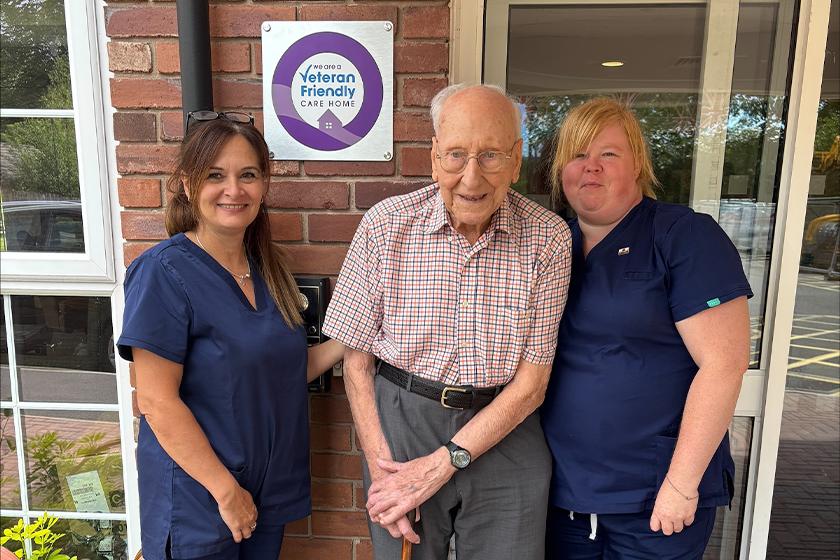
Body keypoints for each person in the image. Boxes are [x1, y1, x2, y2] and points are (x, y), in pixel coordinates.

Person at [322, 84, 572, 560]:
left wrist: (443, 464)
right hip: (401, 422)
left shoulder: (549, 237)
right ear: (434, 156)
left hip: (506, 426)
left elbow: (533, 383)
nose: (472, 177)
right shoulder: (385, 225)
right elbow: (355, 367)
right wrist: (384, 470)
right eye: (456, 155)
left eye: (491, 155)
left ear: (517, 160)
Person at [117, 112, 344, 560]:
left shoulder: (267, 272)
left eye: (248, 175)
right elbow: (157, 401)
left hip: (263, 491)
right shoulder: (163, 271)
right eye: (215, 175)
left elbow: (285, 372)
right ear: (186, 183)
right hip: (200, 497)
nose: (234, 190)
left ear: (264, 185)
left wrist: (354, 338)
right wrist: (226, 492)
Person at [541, 98, 752, 559]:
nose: (590, 168)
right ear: (562, 171)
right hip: (564, 496)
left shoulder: (684, 237)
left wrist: (682, 483)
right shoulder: (553, 245)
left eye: (608, 154)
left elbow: (724, 365)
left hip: (655, 498)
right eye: (577, 155)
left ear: (638, 164)